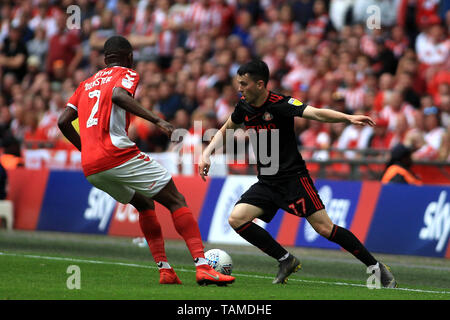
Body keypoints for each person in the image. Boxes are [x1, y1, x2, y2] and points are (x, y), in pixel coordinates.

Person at [199, 60, 397, 288]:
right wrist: (207, 153)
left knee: (324, 228)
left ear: (260, 84)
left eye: (244, 84)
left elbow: (316, 114)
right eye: (239, 84)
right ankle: (286, 260)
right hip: (267, 181)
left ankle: (376, 267)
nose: (240, 89)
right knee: (237, 218)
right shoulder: (243, 106)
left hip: (294, 179)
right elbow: (226, 128)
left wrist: (348, 118)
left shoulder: (281, 104)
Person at [58, 35, 234, 286]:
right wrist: (157, 120)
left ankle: (165, 270)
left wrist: (85, 148)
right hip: (117, 153)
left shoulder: (85, 84)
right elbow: (119, 95)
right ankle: (203, 266)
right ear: (129, 57)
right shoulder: (127, 73)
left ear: (104, 58)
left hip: (91, 166)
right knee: (175, 199)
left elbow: (63, 121)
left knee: (144, 204)